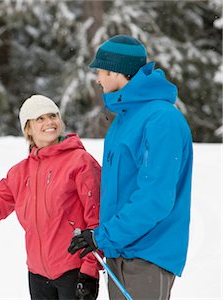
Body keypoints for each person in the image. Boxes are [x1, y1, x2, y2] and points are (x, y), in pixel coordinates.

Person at [68, 35, 193, 300]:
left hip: (147, 254)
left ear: (117, 72)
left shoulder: (160, 119)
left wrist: (105, 236)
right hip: (120, 251)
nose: (98, 79)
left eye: (101, 72)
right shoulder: (124, 120)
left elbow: (155, 198)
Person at [0, 95, 102, 300]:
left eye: (53, 116)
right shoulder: (20, 173)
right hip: (37, 275)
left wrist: (89, 271)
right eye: (40, 119)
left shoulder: (80, 162)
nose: (49, 122)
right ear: (28, 128)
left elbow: (96, 219)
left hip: (73, 271)